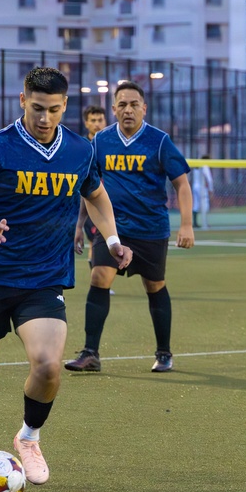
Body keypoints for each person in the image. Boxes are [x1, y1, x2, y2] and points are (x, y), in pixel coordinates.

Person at [0, 67, 133, 486]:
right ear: (22, 101)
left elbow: (97, 195)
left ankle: (28, 438)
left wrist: (113, 238)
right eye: (36, 108)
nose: (44, 117)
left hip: (44, 279)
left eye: (53, 109)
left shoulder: (80, 151)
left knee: (49, 366)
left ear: (65, 105)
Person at [64, 80, 194, 374]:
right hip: (113, 229)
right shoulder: (100, 142)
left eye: (134, 104)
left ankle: (164, 353)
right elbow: (89, 187)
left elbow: (182, 184)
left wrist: (186, 224)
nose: (128, 110)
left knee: (154, 286)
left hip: (150, 228)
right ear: (113, 109)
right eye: (122, 104)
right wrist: (79, 223)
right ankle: (90, 353)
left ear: (144, 108)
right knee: (99, 278)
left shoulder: (159, 141)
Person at [75, 104, 108, 266]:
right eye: (93, 120)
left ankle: (100, 279)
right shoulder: (81, 147)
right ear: (86, 123)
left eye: (100, 120)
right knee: (97, 238)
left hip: (106, 200)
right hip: (86, 200)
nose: (97, 124)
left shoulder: (110, 145)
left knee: (101, 239)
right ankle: (99, 280)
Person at [192, 154, 214, 229]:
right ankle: (205, 223)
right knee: (205, 204)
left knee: (196, 204)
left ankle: (194, 223)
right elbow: (209, 179)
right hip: (201, 187)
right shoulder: (204, 166)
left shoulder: (196, 166)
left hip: (195, 186)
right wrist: (211, 189)